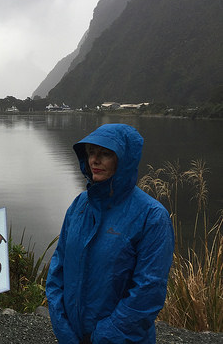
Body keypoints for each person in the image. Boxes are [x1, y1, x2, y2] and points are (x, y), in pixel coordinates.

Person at [46, 123, 174, 344]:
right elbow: (58, 266)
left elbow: (148, 291)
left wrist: (104, 336)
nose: (95, 160)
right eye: (91, 153)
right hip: (72, 336)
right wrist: (62, 327)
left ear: (125, 160)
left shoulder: (151, 216)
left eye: (105, 154)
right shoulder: (79, 205)